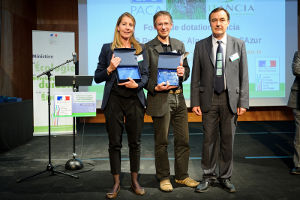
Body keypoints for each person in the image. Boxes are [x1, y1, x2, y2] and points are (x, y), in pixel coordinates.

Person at [190, 7, 249, 193]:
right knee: (208, 140)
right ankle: (208, 176)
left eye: (222, 20)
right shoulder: (200, 45)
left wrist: (243, 102)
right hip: (208, 99)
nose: (218, 23)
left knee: (227, 140)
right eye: (214, 20)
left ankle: (225, 177)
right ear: (210, 23)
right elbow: (195, 77)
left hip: (230, 98)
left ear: (228, 22)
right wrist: (194, 102)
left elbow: (244, 75)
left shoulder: (238, 44)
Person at [94, 12, 148, 199]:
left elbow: (146, 75)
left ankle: (134, 181)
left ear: (133, 28)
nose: (127, 27)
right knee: (114, 143)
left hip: (134, 99)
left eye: (131, 25)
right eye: (124, 24)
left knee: (135, 143)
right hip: (114, 101)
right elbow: (98, 76)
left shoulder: (140, 49)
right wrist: (110, 68)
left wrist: (138, 84)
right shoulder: (107, 49)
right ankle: (116, 182)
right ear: (118, 27)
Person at [145, 10, 199, 192]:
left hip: (179, 97)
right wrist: (154, 87)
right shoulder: (147, 47)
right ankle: (164, 177)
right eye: (160, 24)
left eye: (166, 23)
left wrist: (184, 73)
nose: (163, 27)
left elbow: (187, 70)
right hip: (160, 98)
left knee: (183, 140)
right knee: (162, 142)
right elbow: (144, 77)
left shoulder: (179, 44)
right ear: (155, 26)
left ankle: (182, 176)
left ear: (171, 25)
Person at [288, 51, 300, 175]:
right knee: (299, 134)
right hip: (298, 99)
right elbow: (296, 69)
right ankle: (298, 165)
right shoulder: (298, 54)